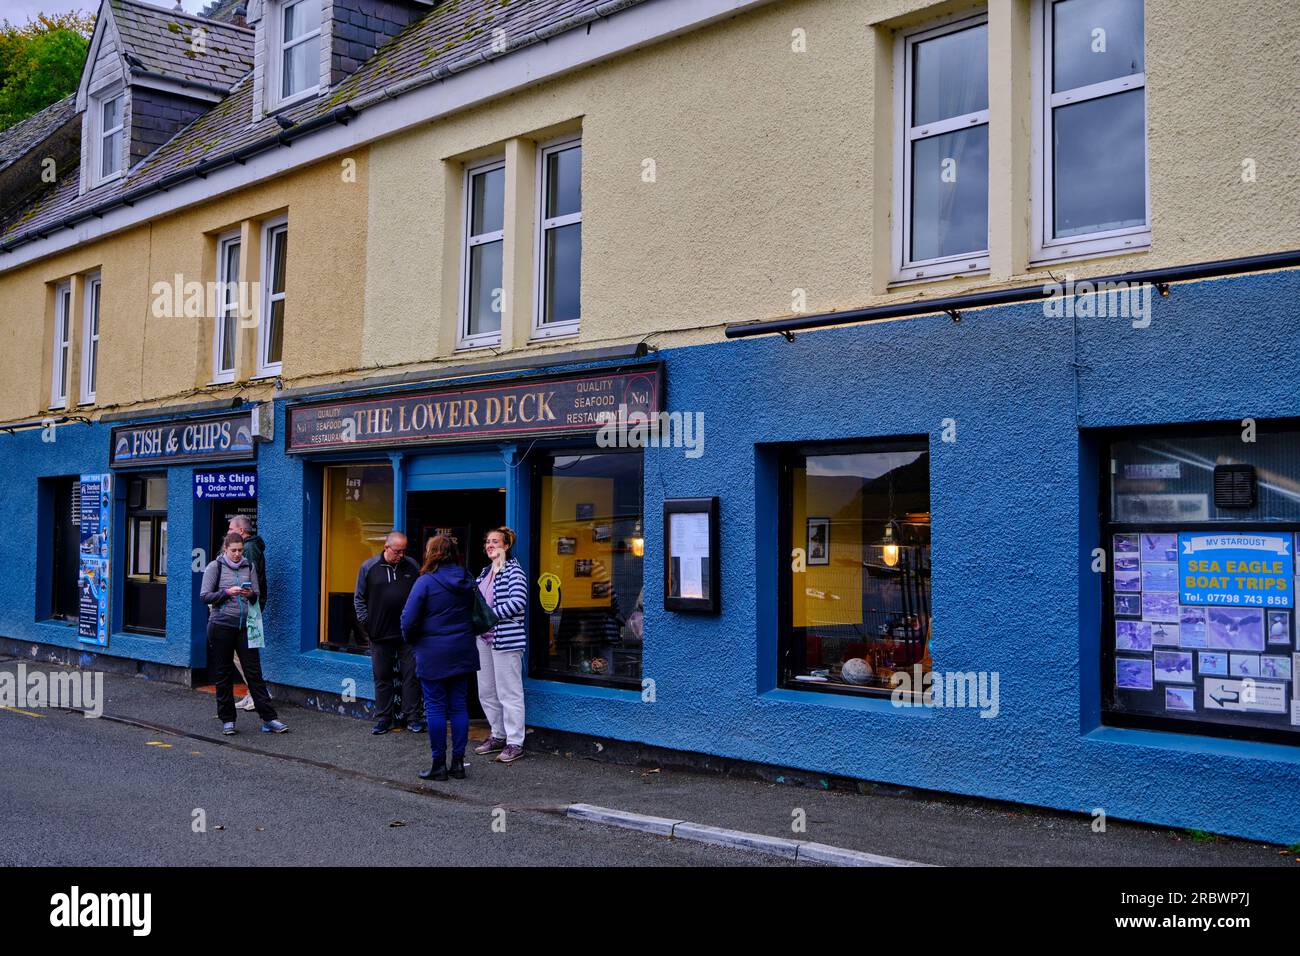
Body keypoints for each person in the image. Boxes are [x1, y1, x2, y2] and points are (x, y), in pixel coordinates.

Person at [400, 535, 479, 781]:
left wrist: (412, 641)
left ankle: (438, 764)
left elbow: (408, 620)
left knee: (435, 708)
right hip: (463, 650)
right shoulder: (468, 579)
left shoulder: (425, 582)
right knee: (458, 706)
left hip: (433, 652)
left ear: (432, 553)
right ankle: (458, 763)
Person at [201, 533, 288, 735]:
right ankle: (228, 720)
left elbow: (256, 595)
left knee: (254, 673)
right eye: (234, 551)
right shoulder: (216, 567)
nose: (238, 554)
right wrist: (226, 593)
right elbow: (204, 596)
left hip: (245, 626)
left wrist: (250, 594)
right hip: (221, 625)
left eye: (240, 550)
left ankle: (269, 718)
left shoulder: (249, 566)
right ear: (225, 550)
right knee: (223, 674)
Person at [354, 531, 426, 735]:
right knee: (382, 676)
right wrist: (366, 623)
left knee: (411, 675)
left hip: (408, 634)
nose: (401, 555)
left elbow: (421, 596)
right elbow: (359, 598)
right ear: (386, 547)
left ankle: (413, 718)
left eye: (404, 551)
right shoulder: (369, 567)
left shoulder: (412, 566)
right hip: (379, 634)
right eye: (397, 551)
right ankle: (383, 719)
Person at [473, 526, 528, 763]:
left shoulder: (513, 571)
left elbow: (518, 601)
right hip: (484, 639)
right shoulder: (485, 572)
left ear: (506, 546)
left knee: (509, 692)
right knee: (486, 690)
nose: (490, 545)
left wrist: (489, 616)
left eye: (495, 541)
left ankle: (515, 742)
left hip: (506, 639)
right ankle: (497, 735)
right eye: (487, 542)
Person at [228, 515, 267, 712]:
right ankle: (252, 693)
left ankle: (257, 695)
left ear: (241, 532)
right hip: (248, 606)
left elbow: (246, 580)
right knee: (243, 652)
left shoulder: (249, 549)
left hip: (248, 607)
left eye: (230, 529)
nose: (228, 533)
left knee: (245, 653)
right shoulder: (251, 547)